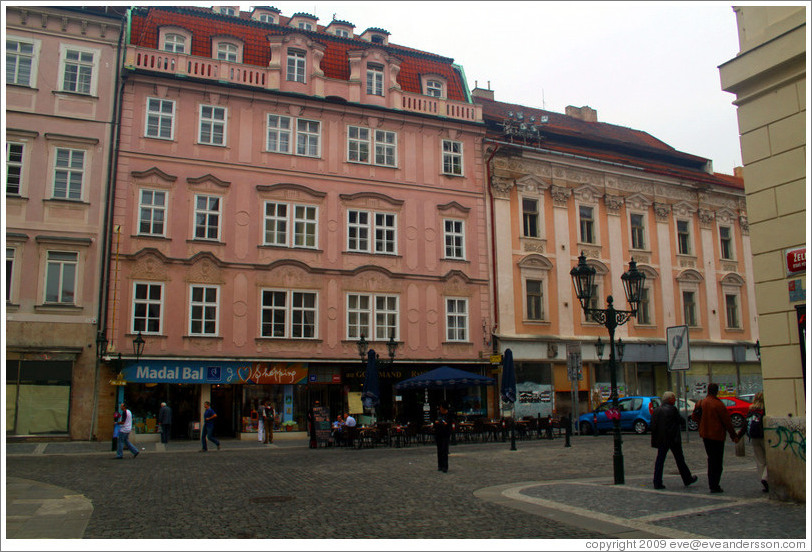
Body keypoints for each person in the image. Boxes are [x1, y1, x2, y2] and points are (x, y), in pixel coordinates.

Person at [692, 383, 738, 493]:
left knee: (711, 459)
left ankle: (712, 483)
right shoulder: (718, 404)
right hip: (716, 435)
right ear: (716, 391)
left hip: (705, 434)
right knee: (717, 461)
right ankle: (714, 484)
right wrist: (733, 435)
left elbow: (694, 417)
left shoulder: (701, 402)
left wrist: (701, 424)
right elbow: (727, 422)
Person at [650, 391, 698, 489]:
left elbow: (653, 426)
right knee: (680, 459)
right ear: (670, 399)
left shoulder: (657, 410)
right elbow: (681, 421)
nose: (675, 400)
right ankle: (687, 478)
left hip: (662, 439)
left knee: (660, 460)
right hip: (673, 439)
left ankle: (657, 481)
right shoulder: (672, 409)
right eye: (674, 398)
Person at [737, 391, 768, 492]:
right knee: (769, 459)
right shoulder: (764, 410)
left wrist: (738, 436)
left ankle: (763, 481)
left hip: (754, 438)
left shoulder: (751, 409)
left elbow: (745, 425)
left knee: (760, 460)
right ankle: (766, 478)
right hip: (764, 437)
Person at [434, 401, 453, 473]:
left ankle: (445, 466)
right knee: (439, 450)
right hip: (438, 434)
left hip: (445, 434)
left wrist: (445, 424)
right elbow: (435, 422)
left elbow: (449, 424)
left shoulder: (449, 415)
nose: (440, 408)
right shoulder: (438, 414)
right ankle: (440, 465)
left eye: (441, 407)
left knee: (444, 450)